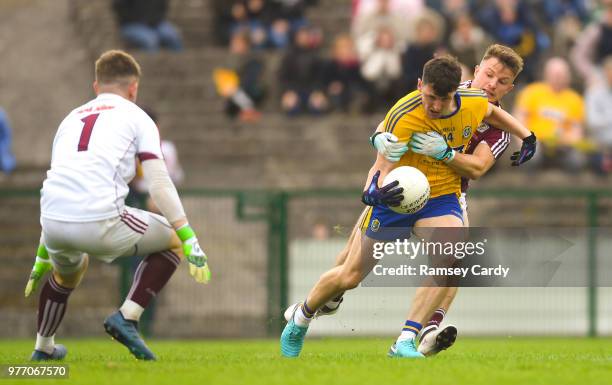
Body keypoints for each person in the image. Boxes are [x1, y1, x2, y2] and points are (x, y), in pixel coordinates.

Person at [280, 54, 536, 358]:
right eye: (489, 75)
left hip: (444, 195)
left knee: (451, 255)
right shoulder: (416, 106)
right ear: (476, 71)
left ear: (510, 87)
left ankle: (409, 337)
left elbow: (484, 150)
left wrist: (527, 136)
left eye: (502, 81)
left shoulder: (471, 102)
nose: (492, 85)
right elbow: (384, 150)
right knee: (348, 273)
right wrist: (373, 175)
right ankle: (303, 316)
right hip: (399, 193)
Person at [24, 50, 210, 362]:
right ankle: (127, 317)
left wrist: (43, 252)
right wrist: (189, 235)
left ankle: (43, 348)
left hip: (53, 221)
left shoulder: (70, 119)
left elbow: (60, 184)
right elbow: (159, 182)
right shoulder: (138, 117)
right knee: (174, 241)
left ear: (96, 86)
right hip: (101, 218)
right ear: (134, 88)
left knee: (68, 273)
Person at [514, 57, 586, 172]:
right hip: (536, 142)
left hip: (563, 146)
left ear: (568, 76)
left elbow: (577, 130)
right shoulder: (532, 92)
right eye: (555, 74)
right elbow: (519, 120)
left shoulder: (575, 99)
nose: (558, 78)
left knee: (577, 160)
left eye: (561, 75)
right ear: (546, 74)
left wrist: (569, 140)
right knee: (530, 157)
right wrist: (524, 141)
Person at [112, 0, 183, 52]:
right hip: (130, 25)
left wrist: (154, 20)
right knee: (151, 40)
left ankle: (179, 68)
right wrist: (140, 20)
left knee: (173, 36)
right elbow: (119, 8)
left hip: (155, 24)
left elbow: (163, 7)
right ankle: (152, 68)